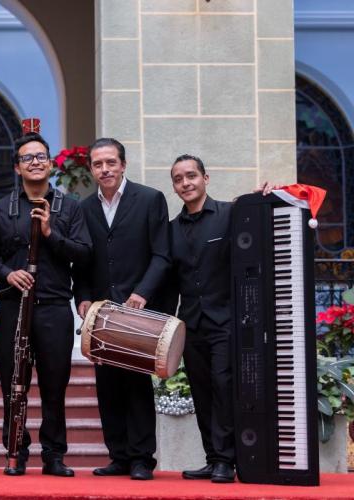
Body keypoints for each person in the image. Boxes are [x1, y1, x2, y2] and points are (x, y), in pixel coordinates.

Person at [0, 121, 92, 477]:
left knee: (54, 384)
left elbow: (83, 253)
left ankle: (54, 455)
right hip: (13, 306)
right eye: (26, 158)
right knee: (12, 383)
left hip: (52, 306)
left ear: (50, 164)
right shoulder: (2, 209)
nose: (34, 162)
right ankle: (15, 451)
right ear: (17, 167)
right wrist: (6, 274)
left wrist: (50, 233)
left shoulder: (70, 207)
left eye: (40, 157)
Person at [170, 154, 274, 483]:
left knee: (223, 386)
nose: (186, 183)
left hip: (225, 322)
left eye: (191, 176)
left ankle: (226, 461)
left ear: (205, 178)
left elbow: (259, 231)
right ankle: (212, 458)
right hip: (191, 323)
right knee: (200, 391)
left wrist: (264, 199)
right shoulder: (171, 229)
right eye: (178, 179)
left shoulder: (230, 214)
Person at [74, 137, 171, 481]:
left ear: (123, 165)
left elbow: (162, 254)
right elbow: (82, 261)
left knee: (136, 383)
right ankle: (118, 456)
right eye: (98, 164)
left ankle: (142, 458)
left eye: (111, 163)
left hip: (138, 311)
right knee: (107, 385)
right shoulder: (84, 209)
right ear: (91, 169)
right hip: (100, 312)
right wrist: (83, 297)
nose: (105, 169)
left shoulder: (149, 199)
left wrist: (143, 292)